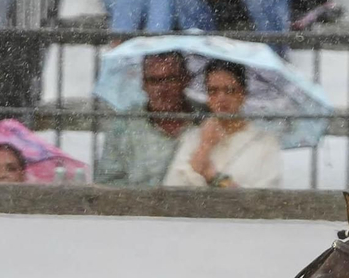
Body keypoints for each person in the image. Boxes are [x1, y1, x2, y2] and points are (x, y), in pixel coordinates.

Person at [163, 61, 282, 189]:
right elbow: (172, 188)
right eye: (213, 91)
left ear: (243, 94)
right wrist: (205, 147)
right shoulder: (193, 137)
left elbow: (266, 200)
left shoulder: (265, 142)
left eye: (229, 90)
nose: (221, 98)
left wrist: (214, 177)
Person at [97, 52, 198, 187]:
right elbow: (107, 181)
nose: (162, 89)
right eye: (154, 80)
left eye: (170, 79)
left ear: (186, 80)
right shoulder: (125, 123)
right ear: (144, 84)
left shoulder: (206, 118)